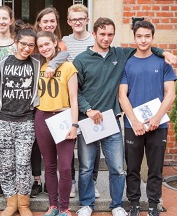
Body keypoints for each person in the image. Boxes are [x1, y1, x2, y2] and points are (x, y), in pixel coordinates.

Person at [73, 17, 176, 216]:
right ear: (93, 34)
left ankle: (118, 206)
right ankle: (86, 204)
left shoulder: (120, 54)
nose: (106, 38)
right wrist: (88, 109)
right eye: (102, 34)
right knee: (85, 167)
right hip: (90, 120)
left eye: (110, 34)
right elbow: (75, 91)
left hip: (112, 121)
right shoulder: (82, 59)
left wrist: (164, 52)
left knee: (118, 168)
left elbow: (147, 48)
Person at [119, 21, 176, 216]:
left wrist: (157, 118)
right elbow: (122, 95)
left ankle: (153, 207)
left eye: (147, 36)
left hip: (157, 125)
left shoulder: (163, 63)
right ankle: (134, 205)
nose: (143, 40)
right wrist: (134, 121)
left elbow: (170, 93)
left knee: (155, 169)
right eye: (139, 36)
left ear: (152, 37)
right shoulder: (127, 62)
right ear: (134, 37)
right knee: (132, 168)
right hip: (133, 125)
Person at [35, 31, 79, 216]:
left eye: (47, 44)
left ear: (55, 44)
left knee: (66, 166)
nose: (44, 48)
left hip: (63, 117)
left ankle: (64, 208)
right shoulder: (39, 67)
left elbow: (74, 98)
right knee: (50, 165)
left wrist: (74, 124)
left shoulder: (68, 66)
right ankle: (53, 205)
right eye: (41, 46)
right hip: (42, 117)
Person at [0, 26, 39, 216]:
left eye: (31, 45)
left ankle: (23, 203)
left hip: (26, 120)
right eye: (23, 44)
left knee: (23, 163)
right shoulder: (3, 62)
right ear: (16, 42)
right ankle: (11, 202)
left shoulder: (36, 64)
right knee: (5, 165)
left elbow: (61, 51)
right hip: (4, 119)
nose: (27, 48)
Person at [62, 3, 100, 199]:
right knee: (68, 143)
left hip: (91, 100)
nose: (77, 22)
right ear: (68, 22)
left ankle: (92, 182)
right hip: (69, 100)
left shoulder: (95, 41)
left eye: (81, 19)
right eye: (73, 19)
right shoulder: (64, 42)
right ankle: (72, 183)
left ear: (87, 20)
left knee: (93, 142)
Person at [0, 5, 16, 197]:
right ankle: (1, 180)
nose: (1, 22)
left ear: (11, 20)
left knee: (14, 143)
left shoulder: (16, 44)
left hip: (14, 98)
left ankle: (16, 179)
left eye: (4, 18)